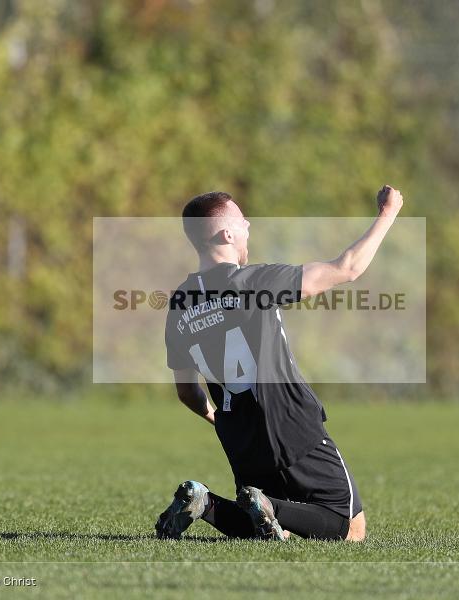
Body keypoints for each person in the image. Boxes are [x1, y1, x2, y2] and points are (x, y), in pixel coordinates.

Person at [155, 185, 403, 541]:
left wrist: (218, 419)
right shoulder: (252, 281)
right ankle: (264, 505)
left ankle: (204, 503)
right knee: (350, 528)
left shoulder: (179, 304)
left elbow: (186, 392)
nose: (248, 225)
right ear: (227, 234)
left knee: (269, 527)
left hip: (240, 437)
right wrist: (388, 213)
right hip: (289, 421)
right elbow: (347, 268)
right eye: (242, 221)